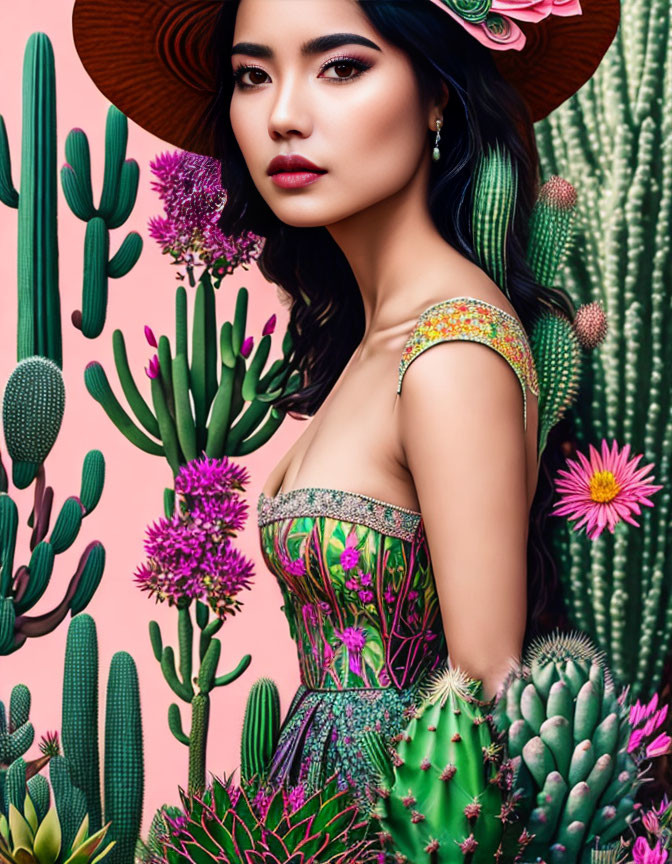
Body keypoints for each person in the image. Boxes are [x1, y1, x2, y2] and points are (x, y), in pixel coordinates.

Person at [72, 0, 619, 817]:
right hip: (311, 812)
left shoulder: (451, 351)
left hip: (390, 818)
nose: (284, 116)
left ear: (437, 94)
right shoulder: (378, 341)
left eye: (342, 67)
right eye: (253, 76)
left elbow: (488, 698)